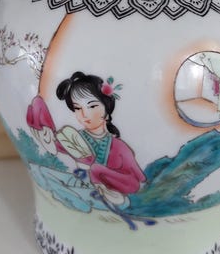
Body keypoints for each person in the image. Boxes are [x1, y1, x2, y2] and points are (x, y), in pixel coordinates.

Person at [27, 71, 145, 205]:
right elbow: (52, 144)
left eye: (92, 106)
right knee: (42, 172)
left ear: (107, 109)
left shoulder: (119, 147)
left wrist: (99, 173)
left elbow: (135, 181)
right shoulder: (73, 137)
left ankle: (100, 195)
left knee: (100, 176)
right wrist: (42, 122)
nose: (84, 114)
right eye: (77, 108)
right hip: (84, 184)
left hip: (114, 189)